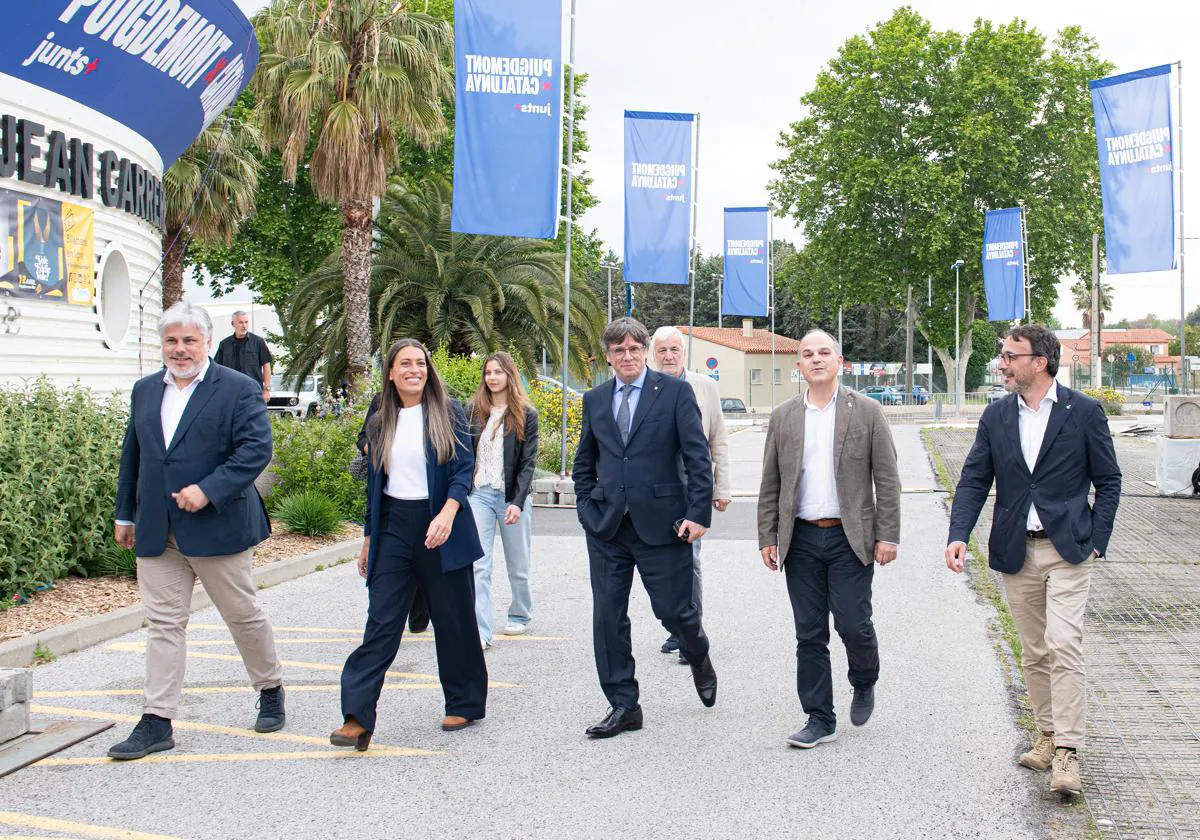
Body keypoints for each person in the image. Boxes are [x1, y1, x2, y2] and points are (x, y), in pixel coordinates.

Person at [945, 324, 1121, 795]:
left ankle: (1068, 751)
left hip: (1069, 549)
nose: (1001, 362)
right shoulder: (997, 415)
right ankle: (1046, 734)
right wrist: (958, 533)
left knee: (1064, 644)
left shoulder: (1082, 412)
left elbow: (1109, 479)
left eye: (1009, 355)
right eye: (1003, 355)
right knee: (1036, 651)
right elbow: (973, 480)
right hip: (1015, 551)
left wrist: (1098, 539)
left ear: (1038, 362)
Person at [109, 301, 283, 760]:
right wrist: (125, 513)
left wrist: (208, 490)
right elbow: (136, 454)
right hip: (157, 529)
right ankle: (157, 719)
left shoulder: (238, 389)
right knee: (164, 624)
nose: (180, 349)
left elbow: (255, 450)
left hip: (217, 524)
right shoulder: (145, 390)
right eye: (172, 340)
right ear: (162, 344)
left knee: (241, 614)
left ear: (207, 341)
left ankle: (269, 687)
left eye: (189, 340)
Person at [332, 339, 487, 750]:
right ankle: (356, 717)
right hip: (395, 528)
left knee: (453, 621)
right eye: (405, 363)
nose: (414, 369)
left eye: (420, 363)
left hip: (442, 523)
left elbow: (463, 468)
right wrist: (368, 538)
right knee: (381, 622)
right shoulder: (380, 415)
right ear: (391, 372)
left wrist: (448, 513)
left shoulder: (447, 409)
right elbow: (374, 485)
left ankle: (465, 702)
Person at [572, 317, 717, 739]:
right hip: (607, 528)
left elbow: (696, 456)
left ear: (646, 352)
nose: (628, 356)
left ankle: (698, 651)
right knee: (607, 618)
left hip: (663, 524)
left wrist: (698, 513)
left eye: (635, 349)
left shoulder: (673, 392)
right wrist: (586, 507)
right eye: (619, 351)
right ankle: (623, 704)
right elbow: (585, 461)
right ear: (609, 356)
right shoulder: (596, 399)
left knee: (675, 611)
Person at [757, 329, 900, 750]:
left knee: (854, 625)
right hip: (799, 539)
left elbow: (887, 480)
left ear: (840, 361)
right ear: (798, 366)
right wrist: (768, 535)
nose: (816, 359)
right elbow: (770, 482)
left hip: (849, 538)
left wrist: (888, 535)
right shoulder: (784, 416)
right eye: (807, 354)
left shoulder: (867, 411)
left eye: (824, 352)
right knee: (809, 633)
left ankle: (865, 678)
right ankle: (819, 717)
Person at [649, 326, 731, 658]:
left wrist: (720, 487)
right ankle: (676, 625)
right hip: (656, 488)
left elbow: (718, 440)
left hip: (692, 484)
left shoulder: (704, 387)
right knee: (660, 561)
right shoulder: (645, 387)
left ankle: (691, 631)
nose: (668, 356)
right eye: (662, 350)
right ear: (654, 354)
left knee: (689, 559)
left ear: (683, 352)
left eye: (674, 350)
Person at [467, 351, 539, 648]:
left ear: (510, 375)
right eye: (488, 372)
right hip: (479, 494)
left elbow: (527, 463)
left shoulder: (525, 414)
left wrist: (517, 502)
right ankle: (481, 632)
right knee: (478, 565)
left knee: (517, 563)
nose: (492, 377)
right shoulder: (473, 411)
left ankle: (520, 614)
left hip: (511, 497)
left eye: (498, 372)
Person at [214, 310, 272, 402]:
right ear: (233, 324)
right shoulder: (224, 344)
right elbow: (216, 368)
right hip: (230, 392)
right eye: (240, 322)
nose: (244, 326)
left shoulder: (258, 342)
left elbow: (266, 366)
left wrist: (266, 390)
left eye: (246, 322)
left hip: (253, 392)